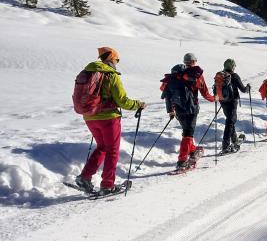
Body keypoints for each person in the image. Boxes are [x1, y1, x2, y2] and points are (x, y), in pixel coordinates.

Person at [75, 47, 146, 195]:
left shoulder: (89, 72)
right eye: (117, 59)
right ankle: (107, 185)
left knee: (102, 147)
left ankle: (85, 177)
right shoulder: (111, 75)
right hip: (108, 118)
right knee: (112, 151)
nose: (117, 62)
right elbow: (122, 101)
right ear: (111, 59)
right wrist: (138, 104)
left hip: (89, 116)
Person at [161, 53, 216, 170]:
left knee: (186, 131)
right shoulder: (195, 75)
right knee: (188, 133)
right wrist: (214, 99)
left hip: (178, 109)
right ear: (194, 61)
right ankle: (182, 161)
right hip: (192, 108)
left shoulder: (175, 75)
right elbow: (205, 93)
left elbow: (168, 95)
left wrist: (170, 110)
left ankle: (192, 150)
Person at [214, 58, 249, 154]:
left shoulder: (220, 76)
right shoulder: (234, 76)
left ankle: (234, 140)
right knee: (230, 121)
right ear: (232, 67)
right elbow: (243, 89)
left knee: (230, 120)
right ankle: (225, 146)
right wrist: (247, 88)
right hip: (232, 101)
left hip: (223, 101)